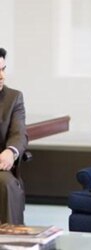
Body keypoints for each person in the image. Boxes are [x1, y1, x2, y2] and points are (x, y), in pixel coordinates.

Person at [0, 47, 28, 224]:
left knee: (7, 184)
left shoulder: (13, 97)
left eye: (3, 69)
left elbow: (19, 133)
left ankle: (11, 241)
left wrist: (11, 151)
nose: (2, 76)